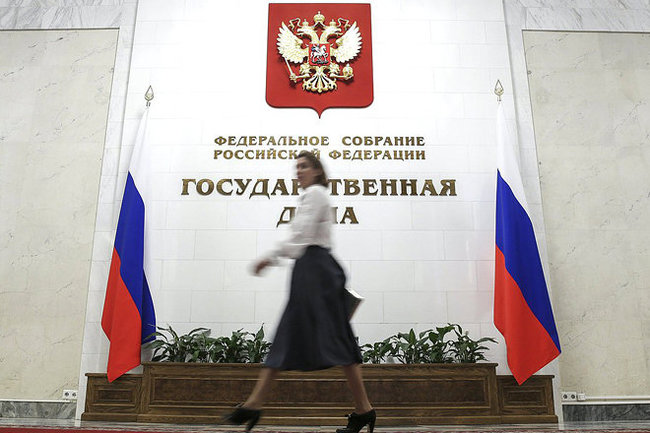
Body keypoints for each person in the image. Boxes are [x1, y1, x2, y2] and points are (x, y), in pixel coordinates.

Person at [224, 151, 375, 433]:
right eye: (296, 167)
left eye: (304, 166)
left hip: (315, 270)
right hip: (313, 270)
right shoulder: (313, 195)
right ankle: (364, 410)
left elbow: (301, 235)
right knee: (330, 338)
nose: (298, 171)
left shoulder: (315, 194)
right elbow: (301, 237)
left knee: (298, 333)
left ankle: (254, 405)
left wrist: (271, 256)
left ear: (317, 171)